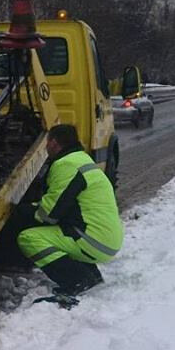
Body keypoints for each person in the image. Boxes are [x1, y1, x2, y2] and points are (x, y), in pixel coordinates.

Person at [16, 123, 123, 307]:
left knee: (28, 238)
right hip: (106, 239)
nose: (46, 147)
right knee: (63, 232)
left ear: (55, 143)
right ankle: (91, 275)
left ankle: (77, 281)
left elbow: (48, 215)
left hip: (94, 240)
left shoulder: (66, 165)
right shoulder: (83, 160)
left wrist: (18, 210)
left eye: (47, 142)